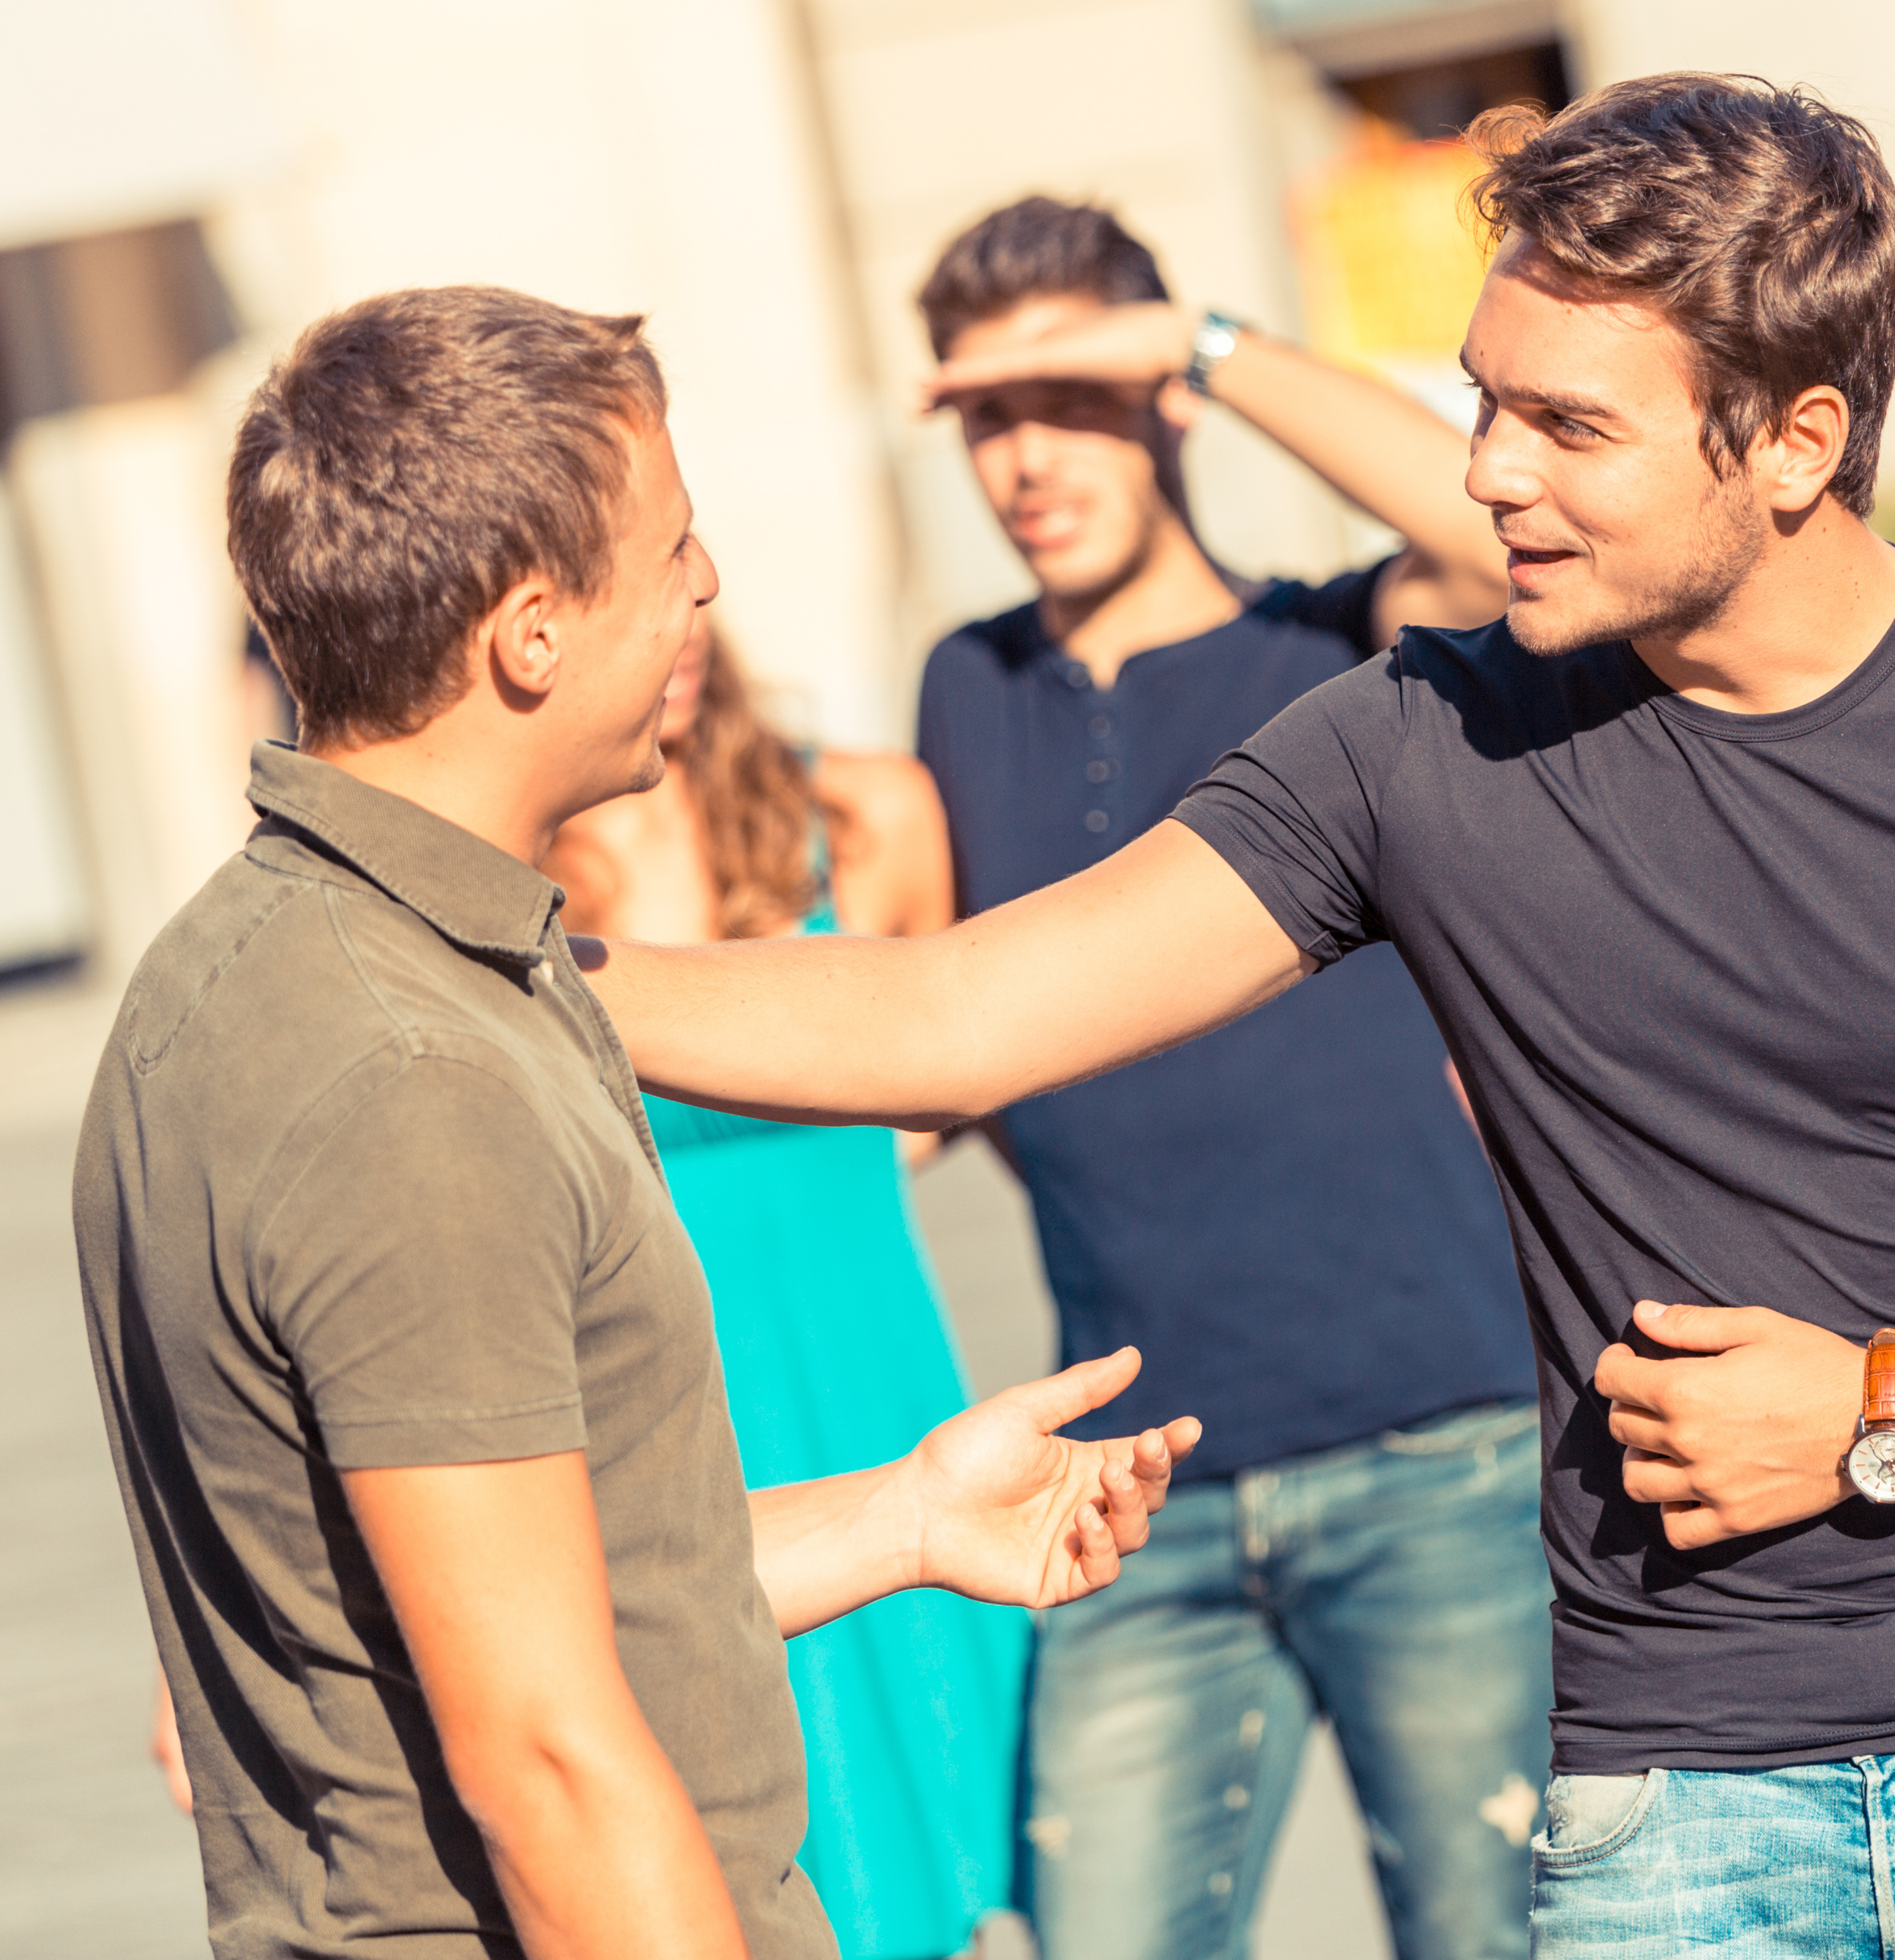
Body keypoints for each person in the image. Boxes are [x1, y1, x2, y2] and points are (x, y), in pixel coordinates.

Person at [587, 73, 1895, 1958]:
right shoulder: (1417, 745)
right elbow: (952, 1010)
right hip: (1676, 1806)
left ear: (1796, 441)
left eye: (1563, 423)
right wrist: (476, 947)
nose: (1488, 467)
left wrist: (1882, 1412)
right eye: (1481, 399)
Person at [73, 285, 1191, 1960]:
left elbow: (515, 1590)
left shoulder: (268, 965)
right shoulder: (409, 1073)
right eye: (672, 545)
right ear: (530, 630)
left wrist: (900, 1515)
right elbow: (550, 1763)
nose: (708, 586)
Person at [904, 196, 1544, 1960]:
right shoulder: (963, 688)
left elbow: (1492, 533)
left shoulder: (1341, 641)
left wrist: (1192, 339)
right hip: (1127, 1486)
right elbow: (941, 1034)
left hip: (1439, 1444)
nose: (1028, 456)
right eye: (986, 415)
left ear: (1158, 398)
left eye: (1070, 395)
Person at [549, 616, 1028, 1960]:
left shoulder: (865, 812)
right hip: (679, 1418)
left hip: (872, 1377)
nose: (673, 624)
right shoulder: (508, 881)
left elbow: (940, 1077)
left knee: (948, 1843)